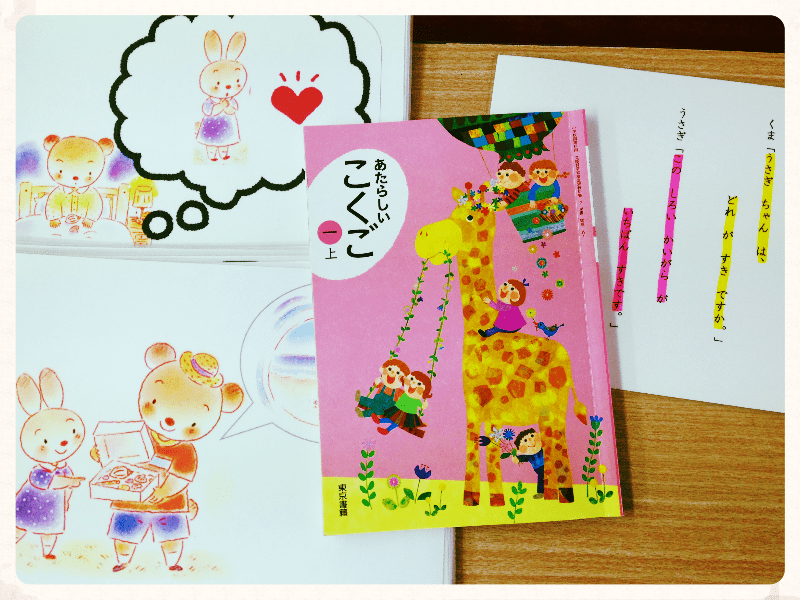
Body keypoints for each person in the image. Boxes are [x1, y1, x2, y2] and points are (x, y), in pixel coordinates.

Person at [372, 371, 431, 438]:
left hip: (408, 414)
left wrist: (425, 405)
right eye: (412, 379)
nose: (414, 383)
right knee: (392, 419)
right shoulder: (405, 393)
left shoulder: (416, 400)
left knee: (397, 422)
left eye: (419, 384)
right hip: (399, 409)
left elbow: (422, 406)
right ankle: (380, 421)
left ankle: (386, 428)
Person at [512, 427, 545, 499]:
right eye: (525, 440)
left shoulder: (542, 448)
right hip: (539, 467)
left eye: (532, 436)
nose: (530, 440)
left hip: (547, 464)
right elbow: (520, 458)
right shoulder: (528, 455)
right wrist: (516, 457)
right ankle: (541, 492)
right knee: (541, 476)